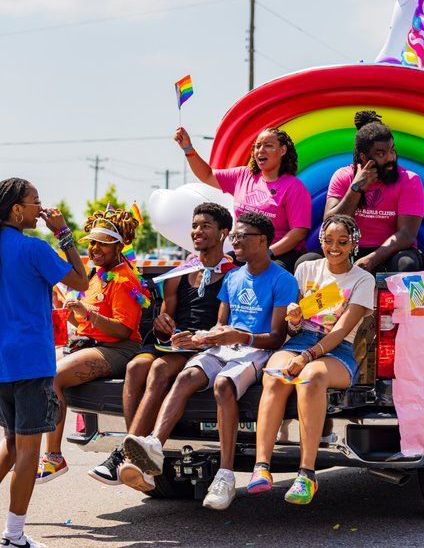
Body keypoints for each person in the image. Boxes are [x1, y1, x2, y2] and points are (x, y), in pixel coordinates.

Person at [120, 212, 297, 511]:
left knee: (224, 385)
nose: (235, 241)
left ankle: (225, 476)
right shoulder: (232, 277)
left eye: (242, 236)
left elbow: (278, 338)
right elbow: (219, 326)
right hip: (226, 346)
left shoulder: (283, 280)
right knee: (185, 377)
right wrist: (196, 338)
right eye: (235, 236)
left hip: (255, 350)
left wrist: (240, 337)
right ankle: (153, 446)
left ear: (263, 241)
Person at [0, 178, 88, 548]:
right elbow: (81, 281)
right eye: (35, 202)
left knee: (11, 438)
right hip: (31, 362)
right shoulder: (35, 249)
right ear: (17, 209)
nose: (39, 208)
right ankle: (13, 536)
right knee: (30, 449)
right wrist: (63, 233)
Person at [88, 202, 233, 491]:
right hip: (174, 342)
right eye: (194, 226)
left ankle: (125, 456)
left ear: (223, 233)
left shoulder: (232, 273)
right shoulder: (179, 273)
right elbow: (165, 314)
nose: (197, 231)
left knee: (157, 369)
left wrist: (197, 338)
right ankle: (136, 455)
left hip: (204, 344)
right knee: (135, 366)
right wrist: (163, 324)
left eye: (205, 226)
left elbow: (224, 322)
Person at [248, 214, 375, 505]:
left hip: (339, 349)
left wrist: (306, 357)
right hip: (301, 339)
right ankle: (262, 467)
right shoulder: (306, 269)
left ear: (354, 244)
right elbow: (294, 323)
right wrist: (293, 319)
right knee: (275, 374)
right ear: (321, 241)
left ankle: (307, 474)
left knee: (311, 377)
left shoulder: (362, 280)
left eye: (342, 242)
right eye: (329, 241)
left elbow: (343, 329)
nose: (335, 247)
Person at [37, 208, 145, 484]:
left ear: (118, 246)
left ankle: (53, 457)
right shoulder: (97, 277)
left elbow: (123, 329)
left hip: (120, 350)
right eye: (92, 243)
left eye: (102, 244)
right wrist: (70, 311)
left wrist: (88, 314)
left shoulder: (124, 280)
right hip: (94, 346)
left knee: (53, 378)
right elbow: (86, 321)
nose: (95, 249)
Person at [174, 126, 311, 271]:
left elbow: (299, 232)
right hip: (243, 253)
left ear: (282, 151)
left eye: (268, 146)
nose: (260, 150)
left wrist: (267, 253)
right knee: (213, 270)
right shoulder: (243, 175)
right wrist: (188, 148)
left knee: (263, 276)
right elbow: (207, 175)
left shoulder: (294, 187)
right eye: (257, 146)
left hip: (279, 255)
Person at [321, 110, 424, 272]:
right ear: (364, 157)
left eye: (392, 150)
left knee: (407, 263)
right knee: (307, 260)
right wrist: (355, 189)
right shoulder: (343, 176)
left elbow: (407, 234)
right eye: (381, 154)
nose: (391, 157)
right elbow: (329, 224)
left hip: (391, 252)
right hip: (348, 249)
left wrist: (372, 259)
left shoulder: (410, 180)